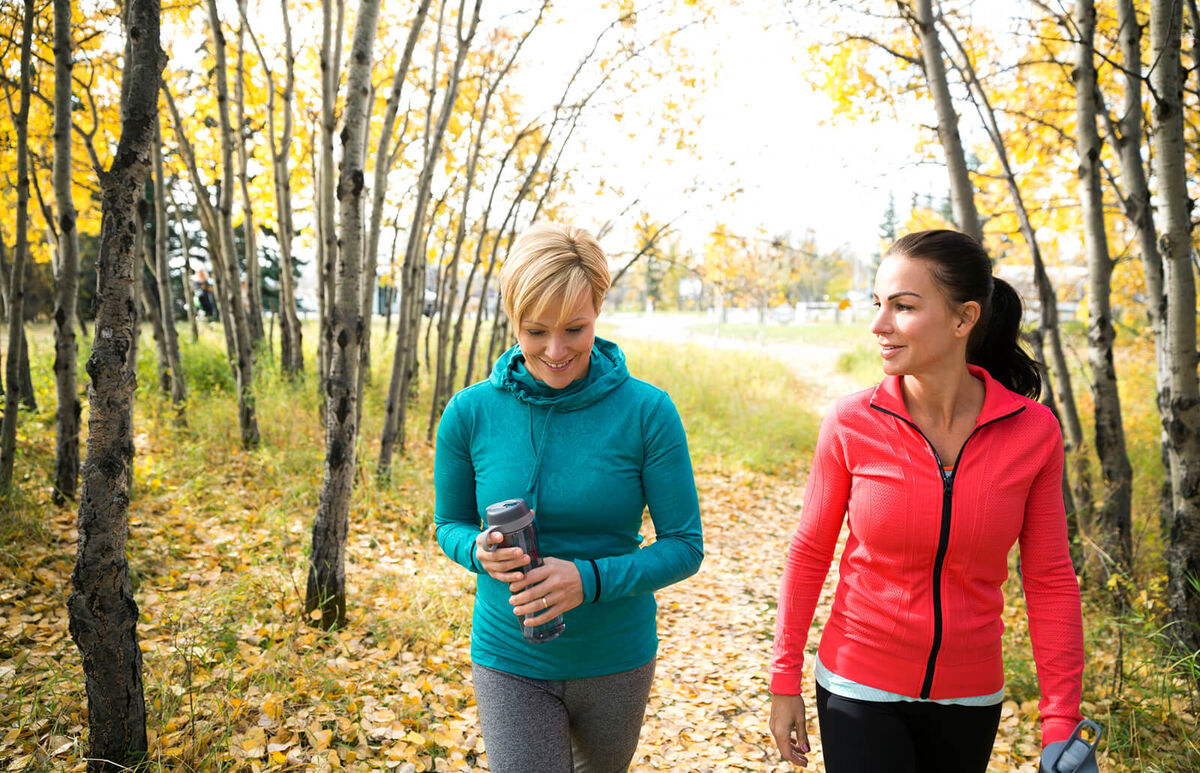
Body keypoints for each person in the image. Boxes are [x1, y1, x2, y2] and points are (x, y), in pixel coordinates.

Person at [769, 229, 1084, 772]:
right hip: (857, 684)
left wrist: (1061, 719)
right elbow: (810, 550)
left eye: (904, 306)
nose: (879, 324)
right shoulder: (851, 421)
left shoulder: (1033, 432)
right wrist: (783, 678)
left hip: (971, 696)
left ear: (964, 319)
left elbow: (1050, 576)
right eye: (878, 304)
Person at [434, 222, 704, 773]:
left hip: (615, 657)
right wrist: (476, 551)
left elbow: (684, 545)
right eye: (535, 331)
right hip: (508, 656)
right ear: (512, 318)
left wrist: (588, 580)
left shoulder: (647, 412)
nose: (556, 351)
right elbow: (448, 524)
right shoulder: (469, 412)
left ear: (599, 309)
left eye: (575, 329)